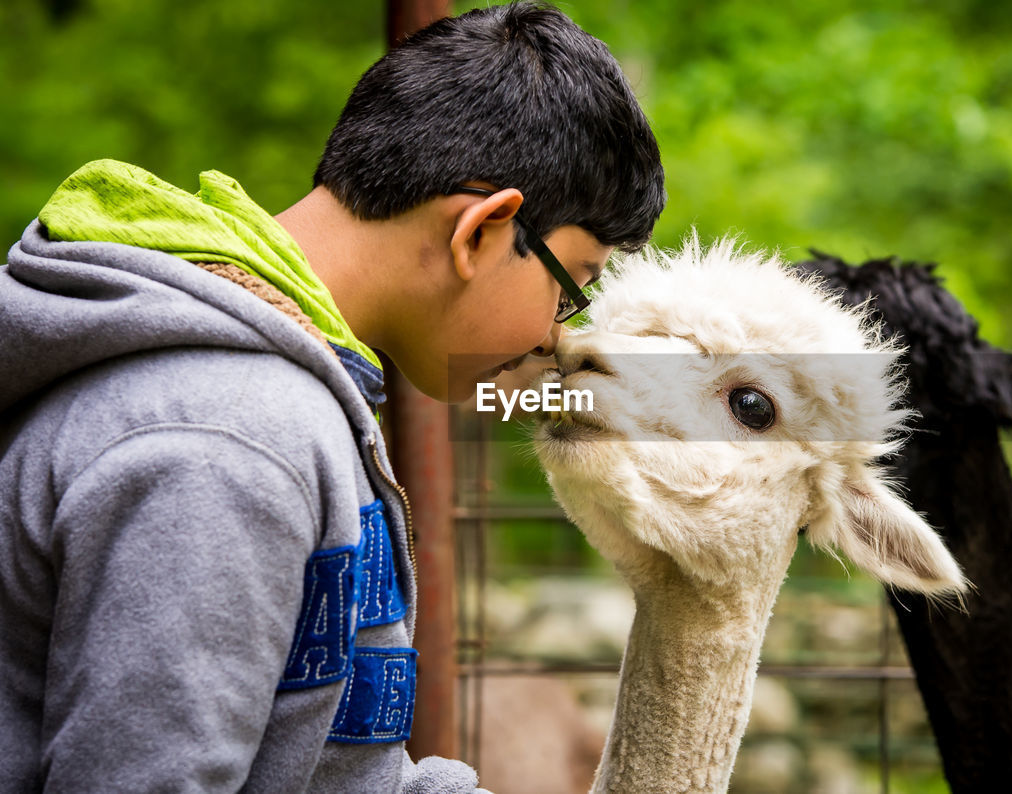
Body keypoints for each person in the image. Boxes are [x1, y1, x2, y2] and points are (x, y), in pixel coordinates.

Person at [0, 2, 664, 791]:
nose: (557, 335)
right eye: (571, 286)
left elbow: (330, 769)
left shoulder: (292, 403)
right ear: (482, 230)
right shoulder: (229, 439)